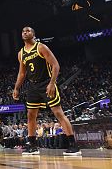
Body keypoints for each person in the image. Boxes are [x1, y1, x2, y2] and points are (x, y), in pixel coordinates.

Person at [12, 26, 81, 155]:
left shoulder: (41, 47)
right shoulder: (21, 53)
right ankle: (33, 145)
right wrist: (16, 88)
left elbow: (55, 65)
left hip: (46, 83)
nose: (25, 32)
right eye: (23, 31)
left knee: (58, 113)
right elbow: (22, 73)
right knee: (30, 115)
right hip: (32, 86)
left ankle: (73, 145)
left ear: (33, 34)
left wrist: (52, 83)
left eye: (28, 31)